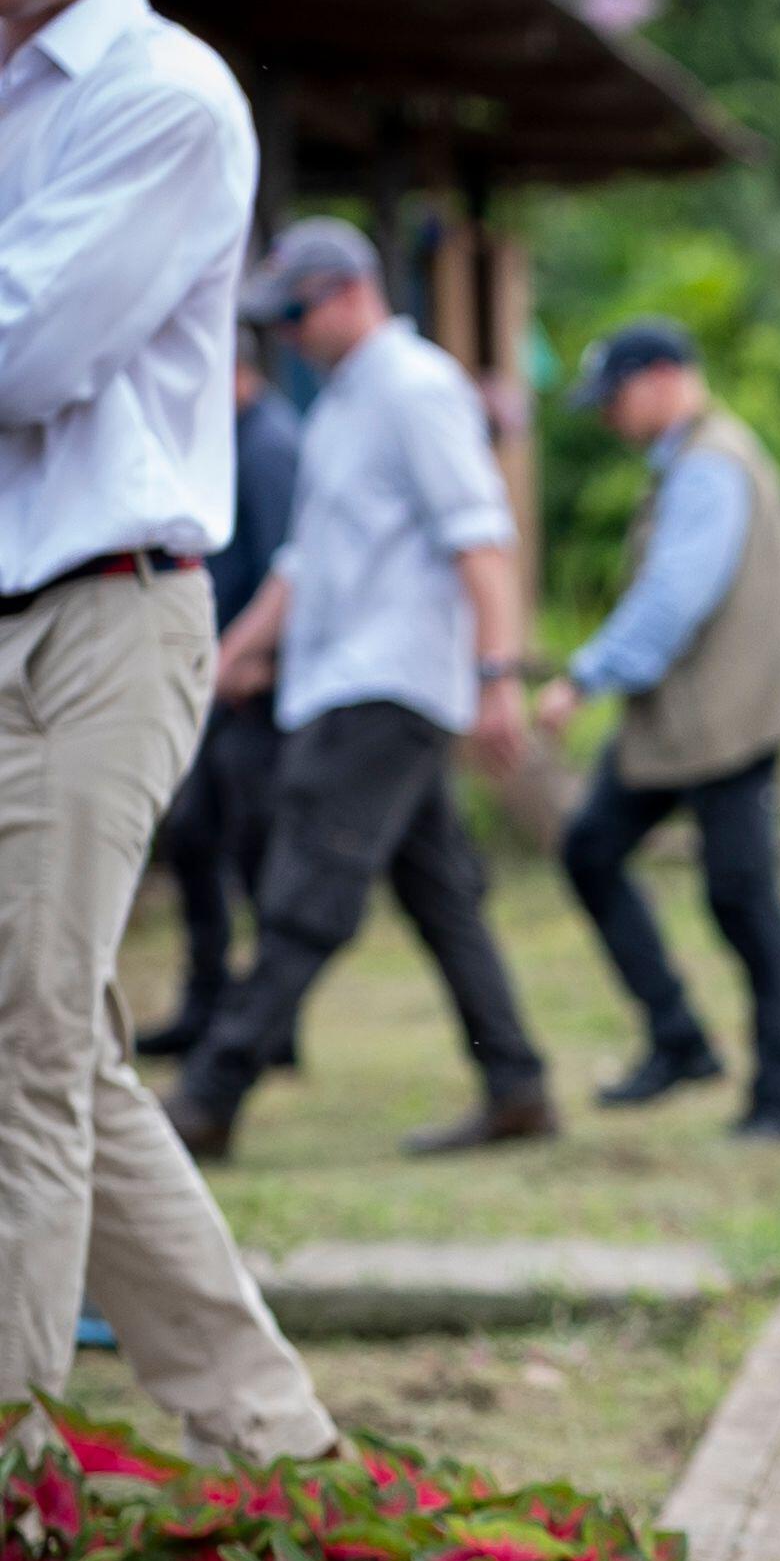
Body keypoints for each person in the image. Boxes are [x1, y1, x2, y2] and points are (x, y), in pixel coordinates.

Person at [0, 0, 336, 1464]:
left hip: (103, 613)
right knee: (59, 1041)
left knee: (28, 1041)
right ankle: (270, 1440)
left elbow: (29, 349)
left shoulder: (162, 95)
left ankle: (15, 1475)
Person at [164, 219, 557, 1162]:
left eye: (294, 312)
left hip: (387, 684)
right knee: (439, 893)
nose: (286, 334)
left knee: (310, 890)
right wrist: (234, 652)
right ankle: (517, 1086)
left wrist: (496, 674)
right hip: (340, 676)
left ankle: (210, 1096)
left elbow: (480, 536)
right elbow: (305, 563)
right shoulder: (340, 402)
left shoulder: (417, 389)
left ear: (348, 291)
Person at [535, 318, 780, 1143]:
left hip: (729, 724)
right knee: (590, 849)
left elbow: (673, 599)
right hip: (681, 726)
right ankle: (678, 1039)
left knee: (743, 901)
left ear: (661, 377)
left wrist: (582, 679)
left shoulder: (708, 465)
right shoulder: (687, 460)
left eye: (614, 398)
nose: (608, 418)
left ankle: (779, 1102)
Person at [135, 332, 301, 1058]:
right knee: (198, 838)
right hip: (215, 682)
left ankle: (271, 1027)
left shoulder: (270, 448)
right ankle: (208, 1004)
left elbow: (291, 572)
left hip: (258, 688)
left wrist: (250, 663)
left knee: (257, 853)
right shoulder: (228, 443)